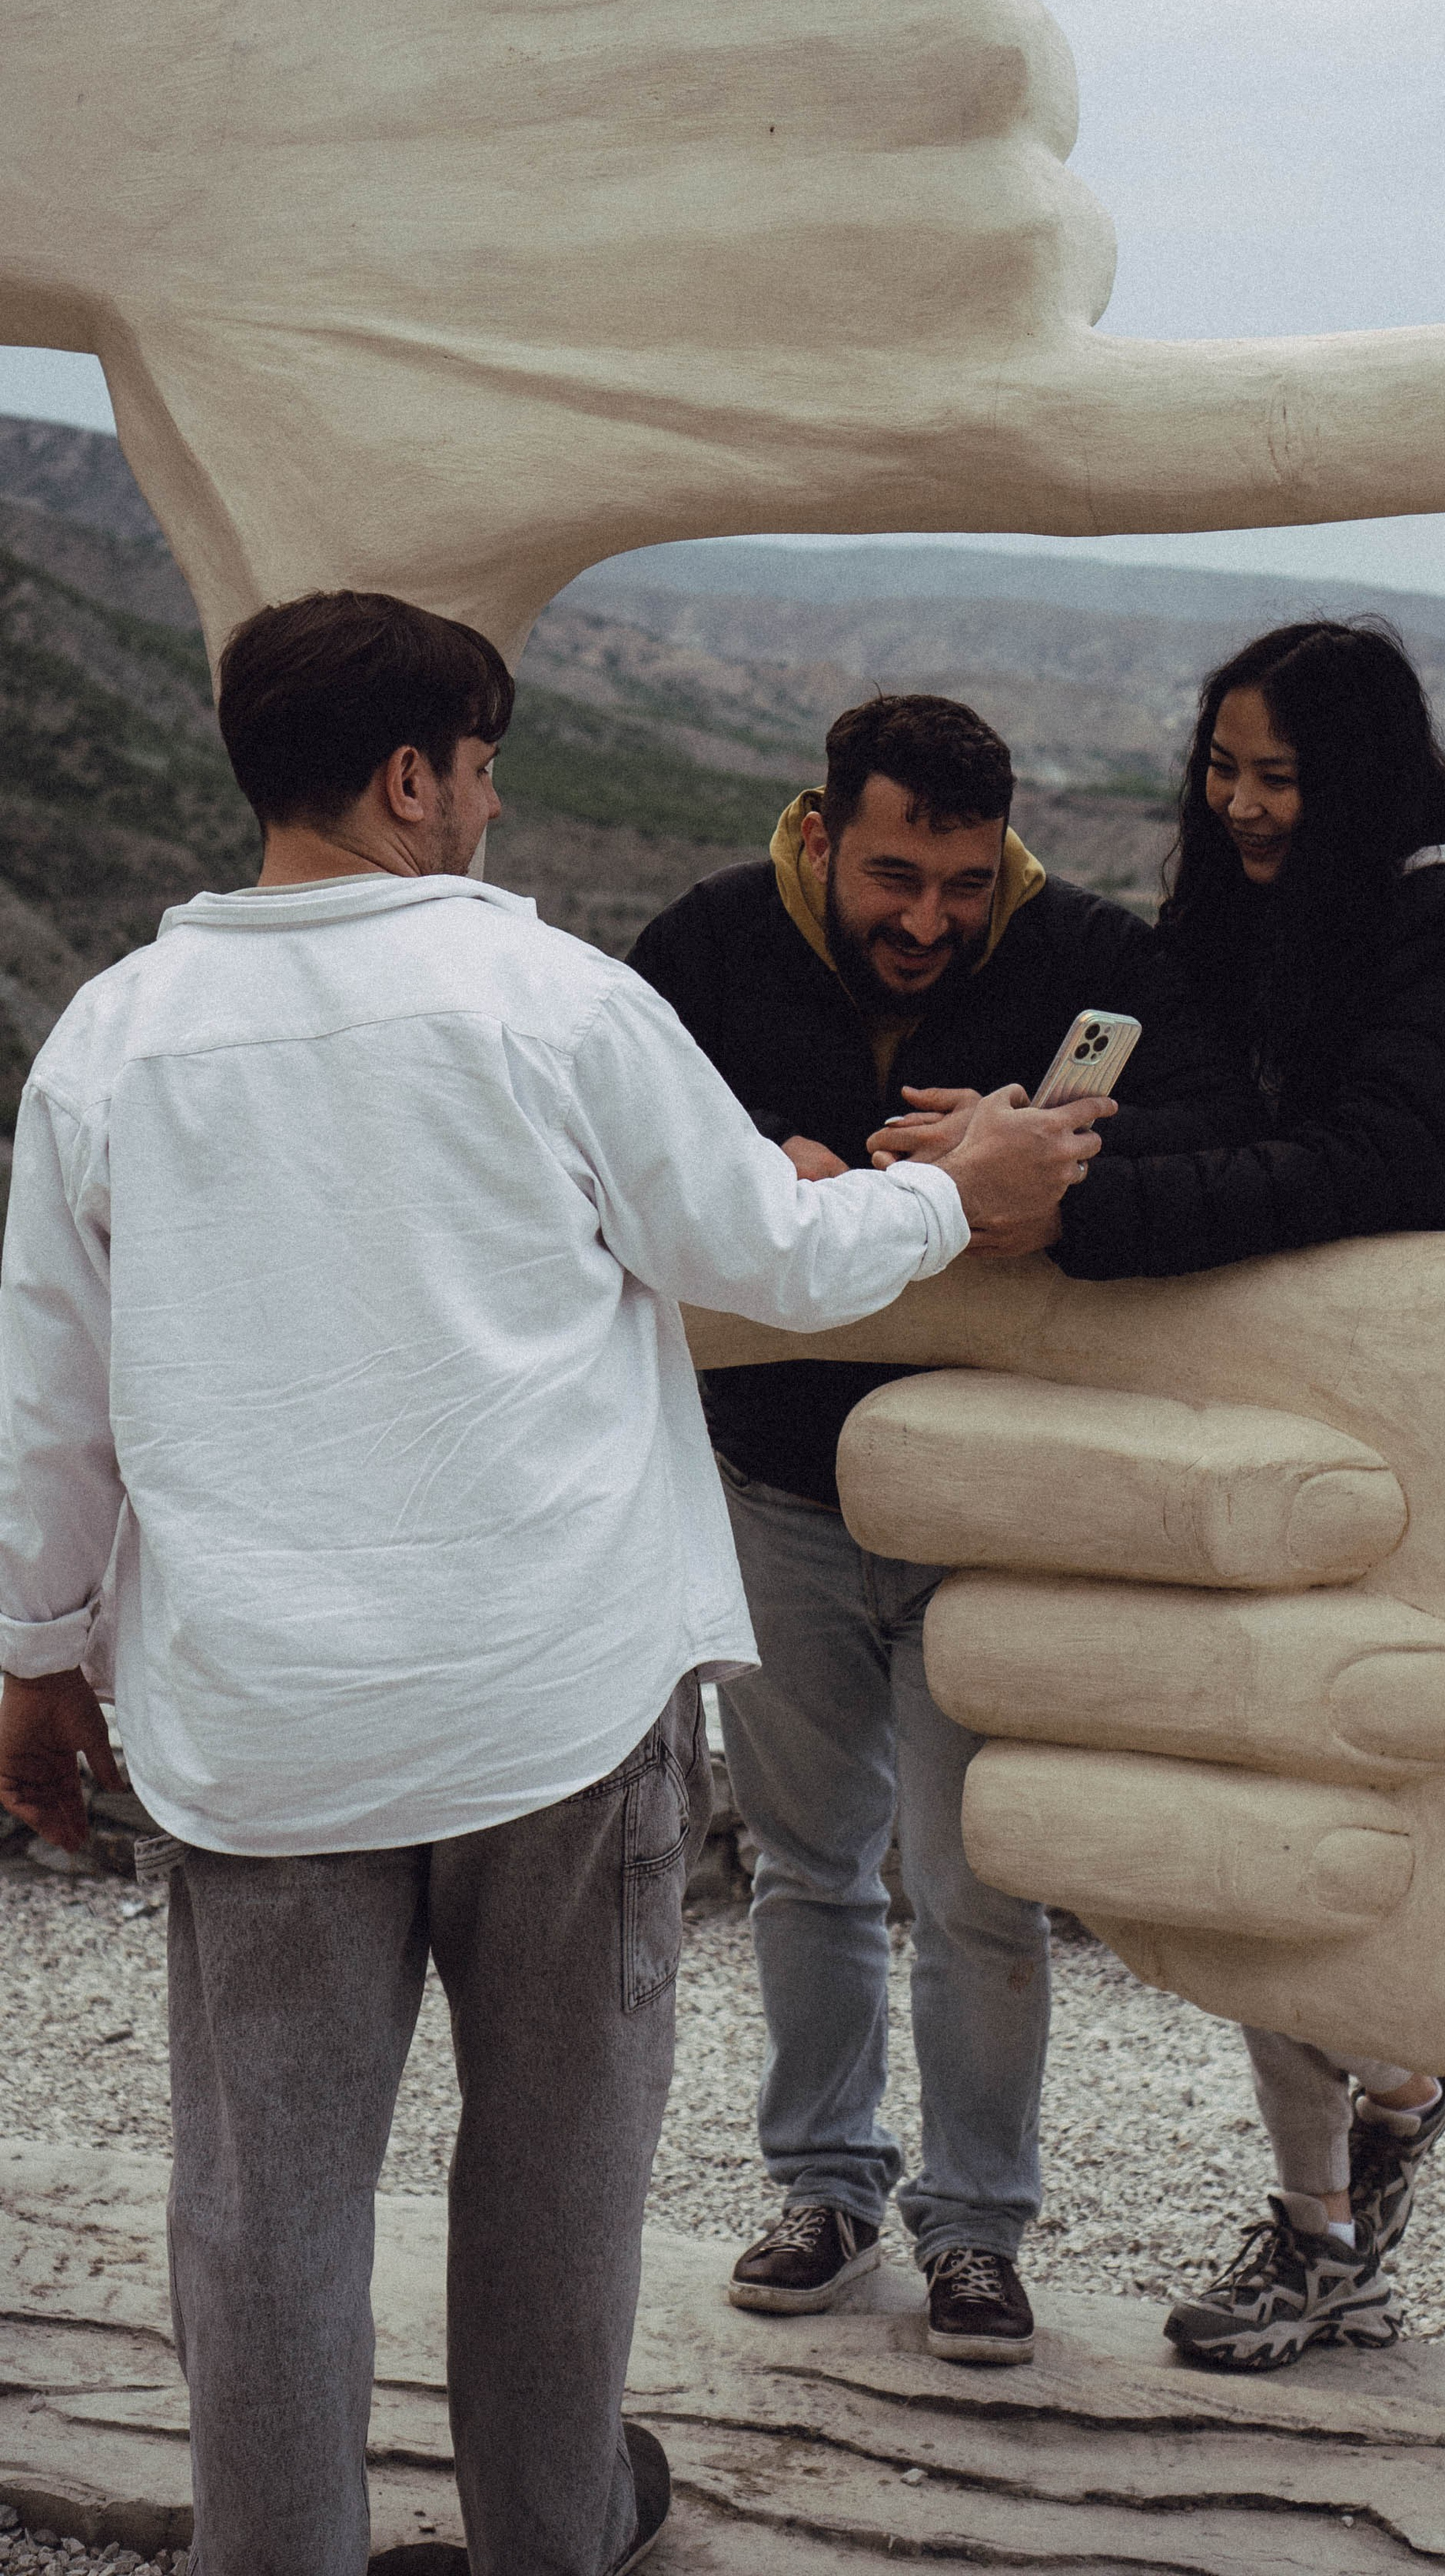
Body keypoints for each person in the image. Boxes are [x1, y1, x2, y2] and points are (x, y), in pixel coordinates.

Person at [0, 594, 1106, 2576]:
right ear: (413, 776)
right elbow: (768, 1248)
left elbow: (51, 1406)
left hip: (265, 1731)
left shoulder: (108, 1040)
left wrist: (31, 1659)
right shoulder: (554, 1006)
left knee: (262, 2216)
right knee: (554, 2192)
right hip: (549, 1706)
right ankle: (553, 2530)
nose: (494, 803)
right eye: (485, 764)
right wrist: (972, 1186)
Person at [872, 620, 1445, 2373]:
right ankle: (1379, 2113)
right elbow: (1216, 1112)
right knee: (1244, 1826)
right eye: (1222, 770)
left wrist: (1082, 1217)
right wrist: (1029, 1146)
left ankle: (1327, 2223)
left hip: (1392, 1441)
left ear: (1357, 778)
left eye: (1279, 778)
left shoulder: (1433, 918)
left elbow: (1380, 1165)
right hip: (1269, 1417)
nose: (1243, 808)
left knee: (1296, 1836)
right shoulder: (1272, 906)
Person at [626, 691, 1247, 2365]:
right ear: (819, 834)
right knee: (803, 1868)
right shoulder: (696, 945)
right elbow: (605, 1148)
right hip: (774, 1479)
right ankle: (821, 2188)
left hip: (999, 1506)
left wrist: (1049, 1157)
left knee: (981, 1887)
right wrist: (762, 1165)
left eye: (964, 884)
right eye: (895, 875)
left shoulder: (1097, 956)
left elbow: (1220, 1124)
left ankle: (977, 2227)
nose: (928, 919)